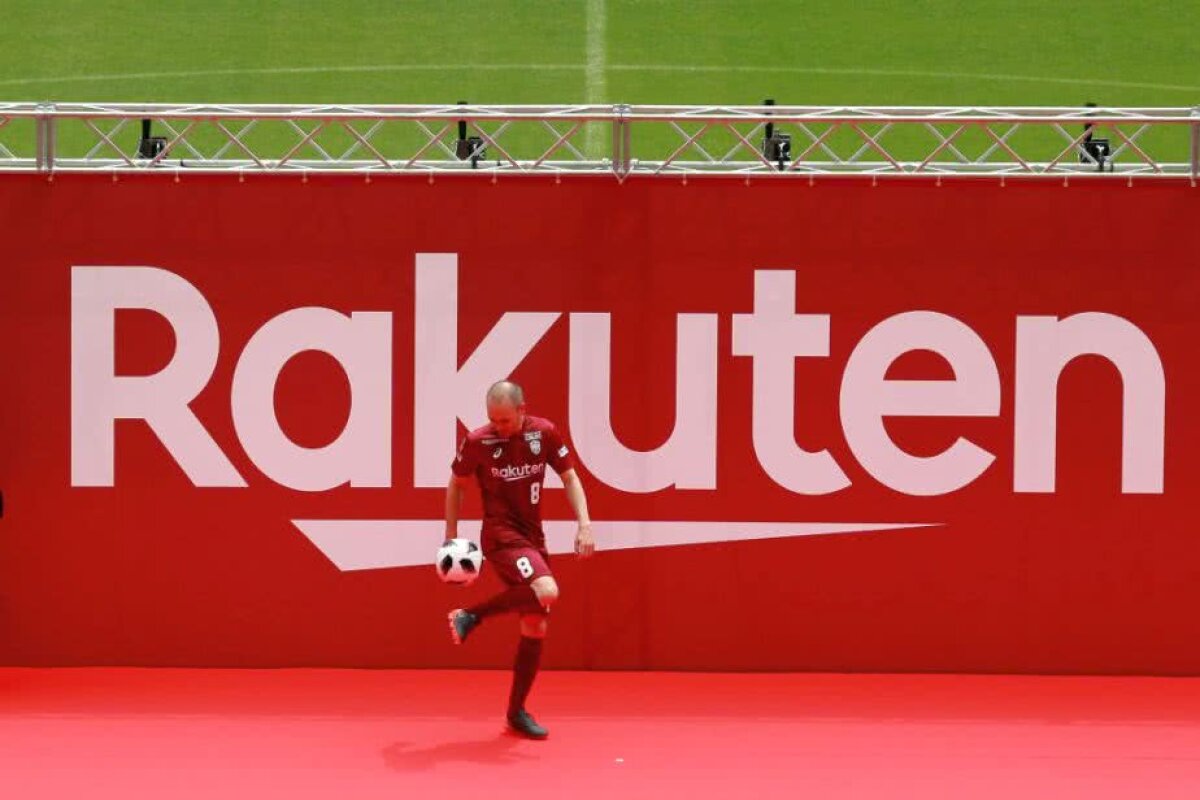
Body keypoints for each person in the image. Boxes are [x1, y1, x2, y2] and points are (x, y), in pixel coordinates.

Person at [445, 380, 595, 739]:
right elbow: (456, 484)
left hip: (532, 537)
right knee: (546, 590)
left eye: (506, 420)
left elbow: (570, 478)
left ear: (522, 410)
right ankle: (472, 615)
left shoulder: (544, 434)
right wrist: (451, 536)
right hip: (500, 536)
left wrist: (584, 525)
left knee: (534, 624)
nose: (499, 427)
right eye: (493, 419)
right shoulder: (479, 441)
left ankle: (515, 712)